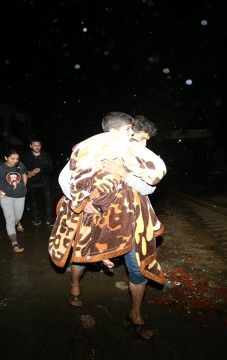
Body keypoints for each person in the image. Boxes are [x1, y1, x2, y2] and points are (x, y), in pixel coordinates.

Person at [48, 112, 167, 340]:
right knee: (82, 255)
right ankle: (74, 283)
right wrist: (82, 201)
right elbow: (66, 179)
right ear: (123, 131)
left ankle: (136, 315)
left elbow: (149, 188)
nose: (140, 142)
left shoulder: (136, 156)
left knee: (137, 265)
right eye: (137, 136)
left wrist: (125, 173)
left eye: (143, 140)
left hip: (131, 218)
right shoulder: (92, 149)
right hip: (95, 215)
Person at [0, 149, 29, 253]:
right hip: (5, 196)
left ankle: (16, 223)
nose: (15, 161)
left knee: (17, 217)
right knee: (10, 218)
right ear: (6, 158)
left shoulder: (20, 165)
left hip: (20, 195)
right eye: (12, 158)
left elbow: (25, 175)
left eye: (17, 158)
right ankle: (14, 242)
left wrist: (24, 186)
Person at [22, 138, 55, 226]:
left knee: (48, 200)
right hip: (31, 182)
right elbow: (22, 169)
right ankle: (35, 218)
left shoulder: (46, 155)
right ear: (31, 146)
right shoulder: (25, 156)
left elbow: (51, 169)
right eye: (35, 145)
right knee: (33, 200)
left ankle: (49, 218)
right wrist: (31, 171)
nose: (37, 147)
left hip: (45, 181)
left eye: (39, 145)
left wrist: (42, 169)